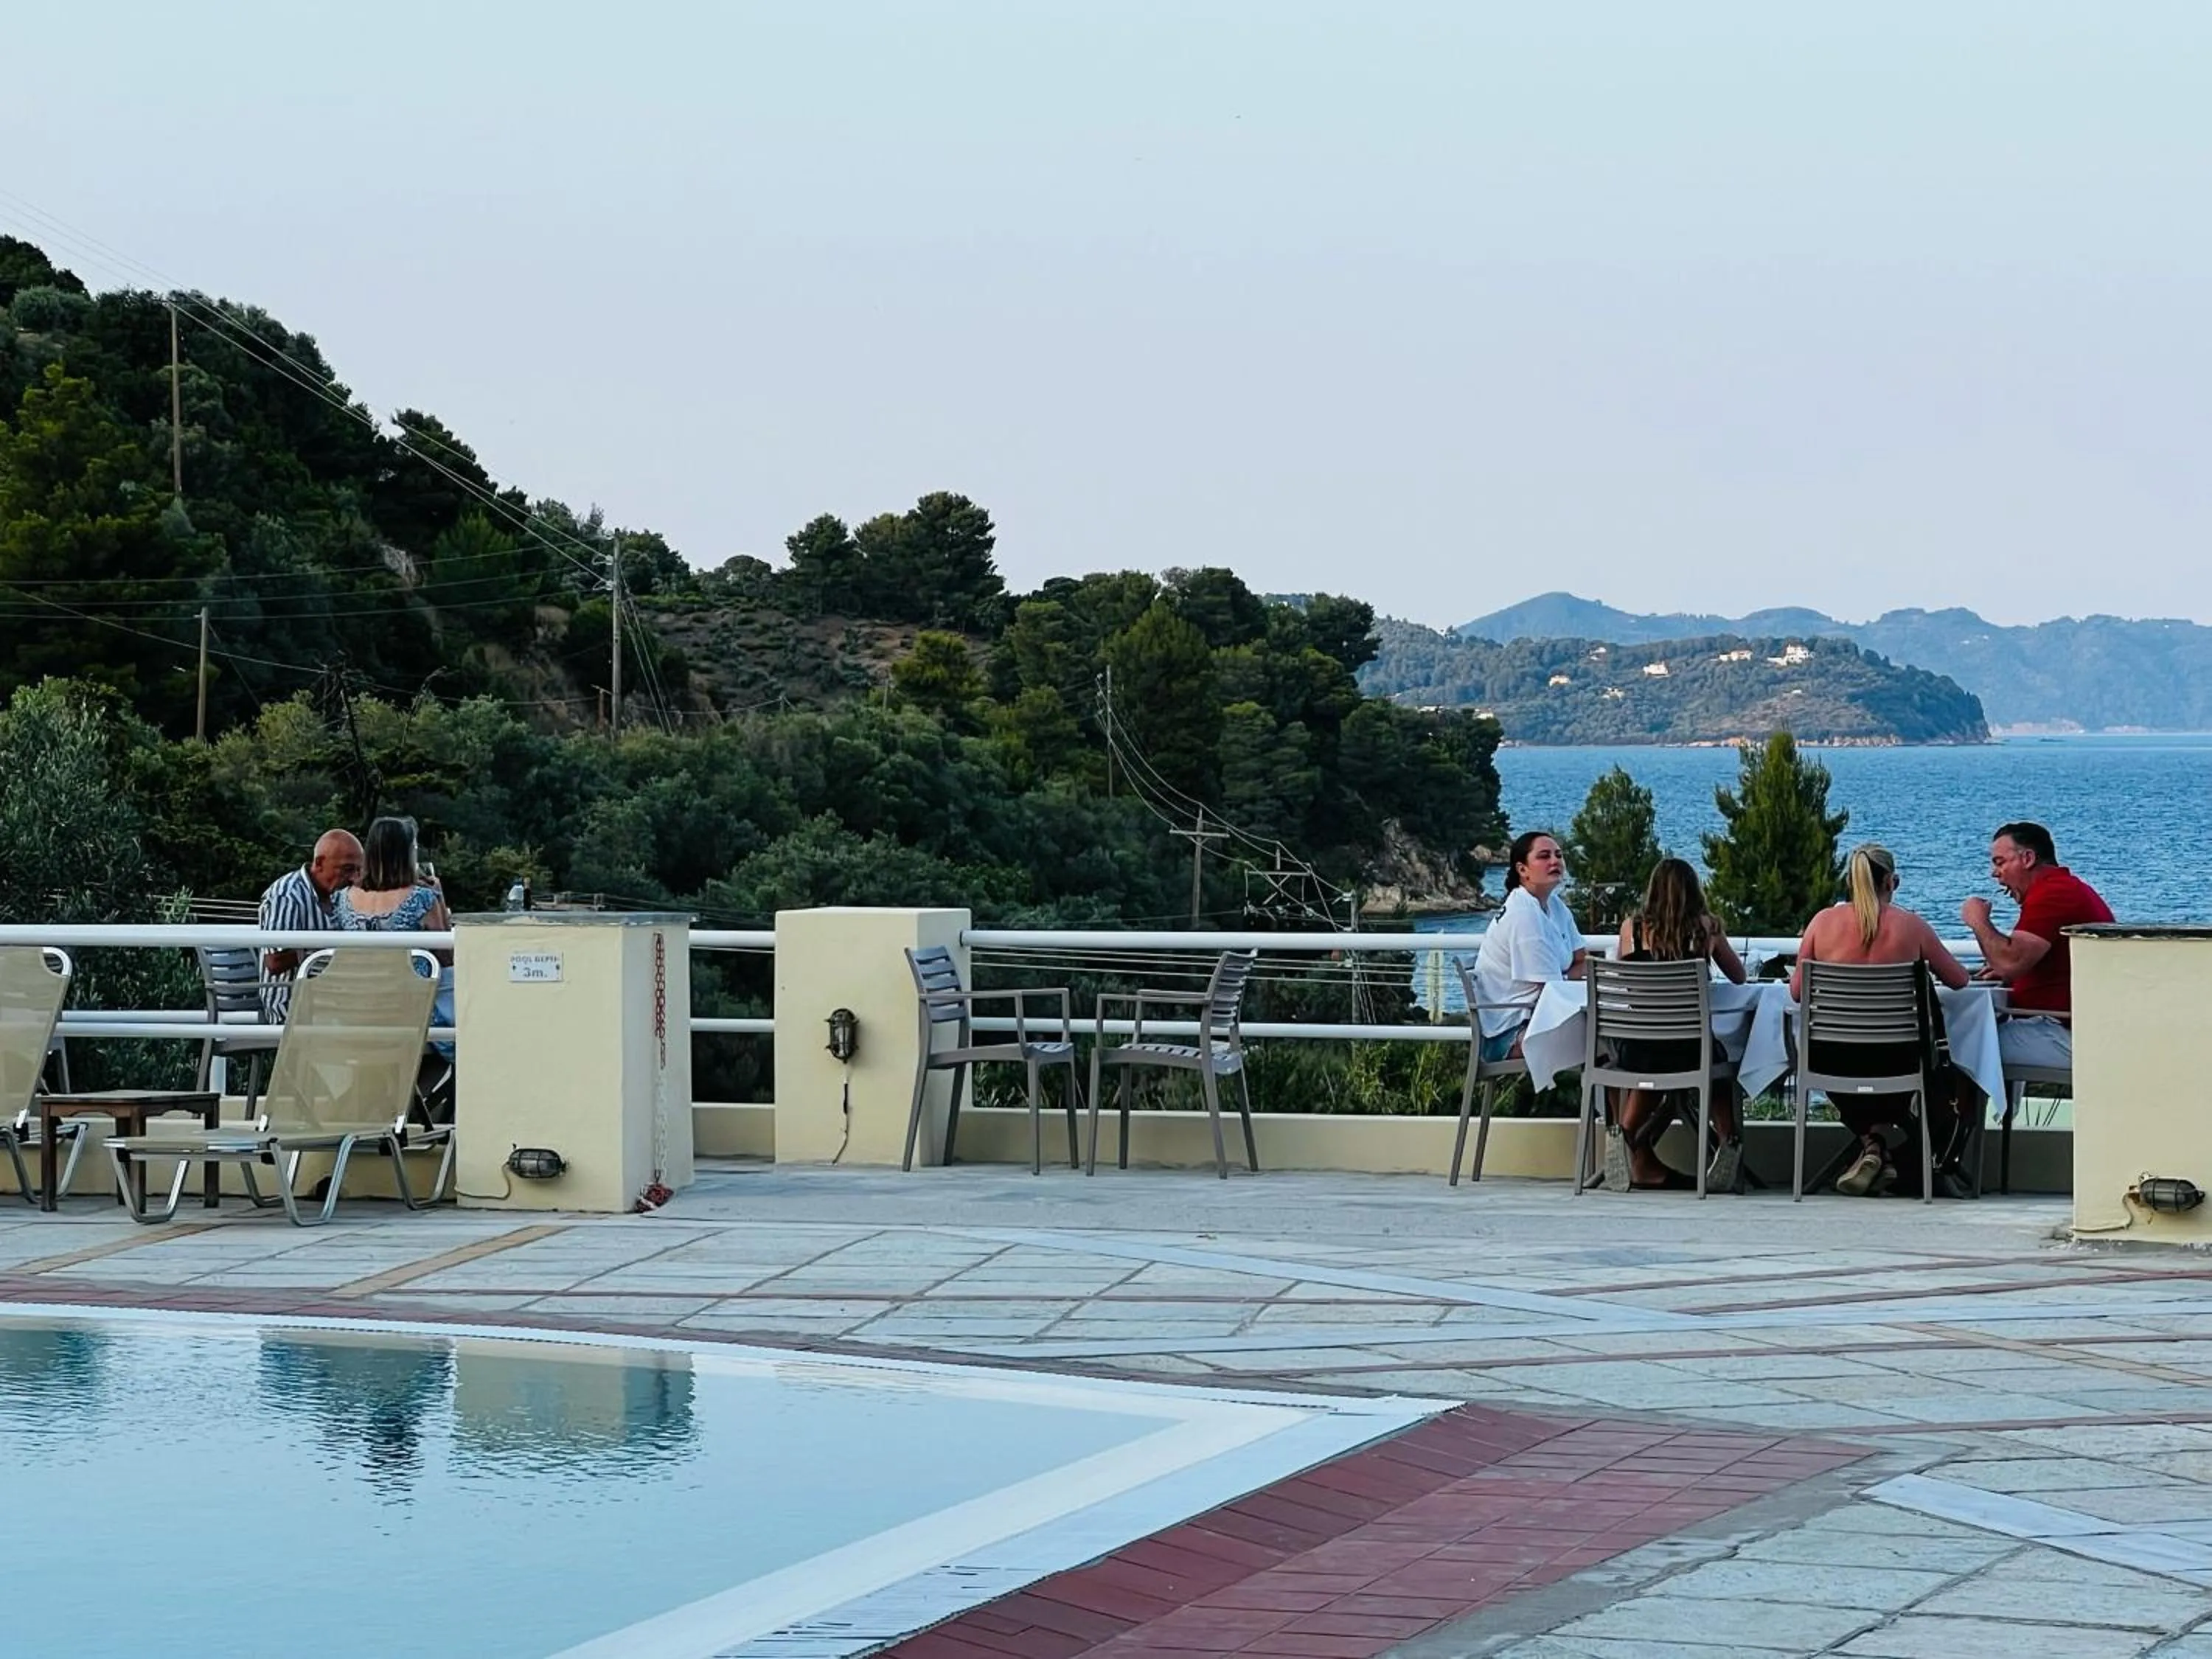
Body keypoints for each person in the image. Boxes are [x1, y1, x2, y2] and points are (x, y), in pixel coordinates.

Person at [1793, 843, 1971, 1197]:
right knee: (1907, 1074)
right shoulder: (1912, 927)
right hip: (1899, 1060)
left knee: (1841, 1066)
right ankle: (1886, 1152)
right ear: (1892, 881)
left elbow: (1798, 991)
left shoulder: (1822, 923)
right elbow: (1959, 980)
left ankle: (1872, 1146)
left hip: (1833, 1059)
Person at [1608, 858, 1747, 1192]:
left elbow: (1628, 983)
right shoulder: (1706, 927)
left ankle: (1624, 1135)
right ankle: (1728, 1140)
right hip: (1690, 1051)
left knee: (1650, 1058)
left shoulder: (1632, 928)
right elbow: (1738, 977)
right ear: (1694, 890)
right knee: (1717, 1061)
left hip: (1640, 1049)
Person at [1958, 821, 2112, 1074]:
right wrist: (2012, 970)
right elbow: (2020, 961)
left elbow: (2011, 961)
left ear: (2027, 858)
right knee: (1974, 1038)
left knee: (1956, 1045)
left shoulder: (2053, 894)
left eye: (2000, 862)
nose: (1994, 874)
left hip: (2063, 1033)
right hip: (2074, 1027)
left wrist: (1978, 921)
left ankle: (1952, 1114)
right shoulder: (2066, 888)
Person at [338, 817, 456, 1060]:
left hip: (358, 1012)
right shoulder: (421, 898)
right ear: (405, 854)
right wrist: (439, 896)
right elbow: (446, 956)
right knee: (468, 1036)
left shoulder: (344, 899)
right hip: (412, 1013)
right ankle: (416, 1094)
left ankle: (396, 1091)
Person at [1471, 830, 1587, 1062]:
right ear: (1522, 869)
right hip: (1510, 1034)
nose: (1555, 861)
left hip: (1542, 1017)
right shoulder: (1523, 914)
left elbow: (1583, 960)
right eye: (1544, 856)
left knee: (1618, 1039)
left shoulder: (1554, 906)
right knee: (1612, 1040)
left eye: (1559, 855)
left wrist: (1564, 980)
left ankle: (1619, 1099)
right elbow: (1551, 991)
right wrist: (1567, 979)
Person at [256, 829, 364, 1022]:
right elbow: (274, 962)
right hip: (292, 1005)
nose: (355, 878)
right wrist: (326, 950)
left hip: (331, 1000)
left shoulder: (338, 895)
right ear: (320, 863)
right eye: (347, 869)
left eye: (358, 870)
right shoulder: (288, 895)